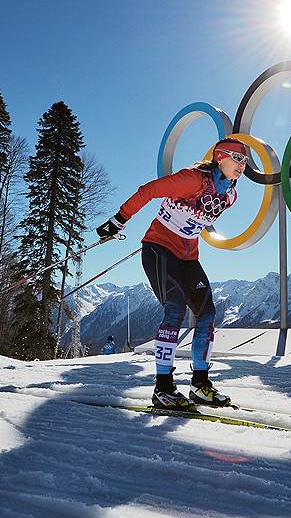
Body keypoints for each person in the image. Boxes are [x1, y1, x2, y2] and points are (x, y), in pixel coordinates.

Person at [96, 138, 248, 410]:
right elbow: (149, 190)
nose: (242, 165)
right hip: (158, 250)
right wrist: (118, 220)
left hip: (188, 256)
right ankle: (163, 389)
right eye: (237, 158)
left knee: (207, 313)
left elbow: (195, 221)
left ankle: (200, 385)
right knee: (175, 309)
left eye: (245, 161)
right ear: (220, 157)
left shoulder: (230, 195)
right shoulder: (191, 180)